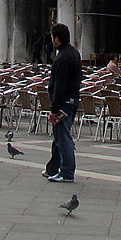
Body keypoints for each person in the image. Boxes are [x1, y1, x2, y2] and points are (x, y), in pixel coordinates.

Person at [43, 23, 81, 183]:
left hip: (64, 102)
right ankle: (52, 168)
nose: (52, 40)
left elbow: (59, 86)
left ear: (57, 39)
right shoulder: (74, 53)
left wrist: (54, 108)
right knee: (59, 135)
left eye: (52, 37)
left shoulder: (61, 59)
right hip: (73, 99)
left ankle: (67, 172)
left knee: (63, 137)